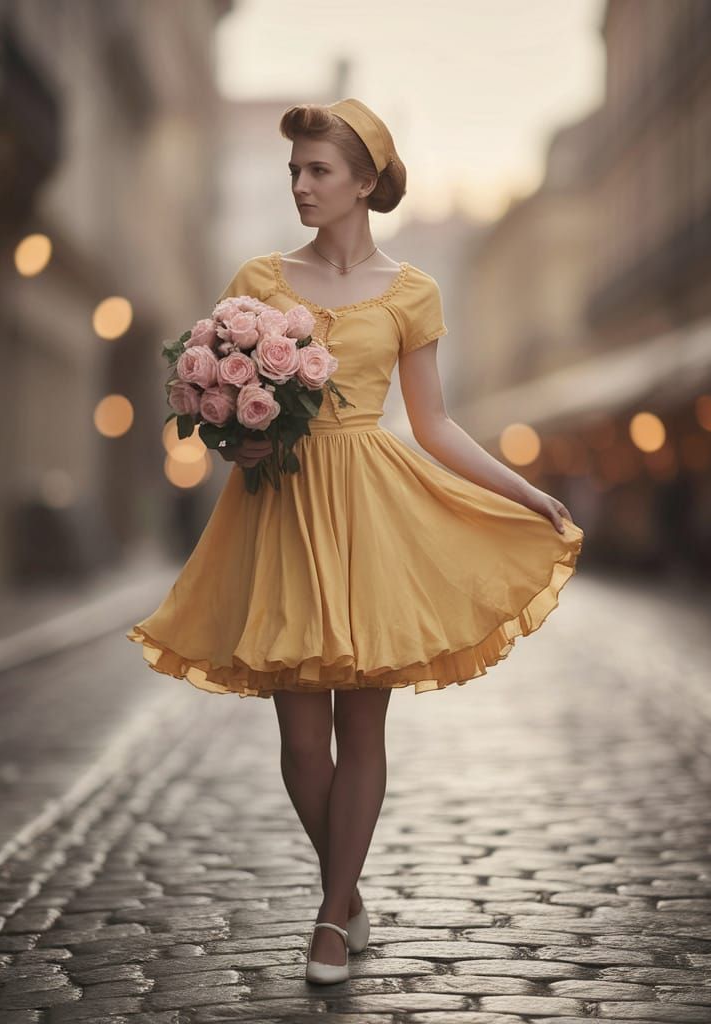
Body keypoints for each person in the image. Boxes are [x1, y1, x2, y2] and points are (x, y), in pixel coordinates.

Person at [127, 97, 584, 984]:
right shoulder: (259, 279)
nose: (300, 185)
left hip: (371, 511)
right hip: (281, 511)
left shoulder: (414, 291)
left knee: (361, 725)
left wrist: (527, 492)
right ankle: (348, 892)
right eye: (294, 170)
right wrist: (237, 433)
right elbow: (213, 401)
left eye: (317, 171)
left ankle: (331, 922)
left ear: (364, 183)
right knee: (302, 743)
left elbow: (437, 425)